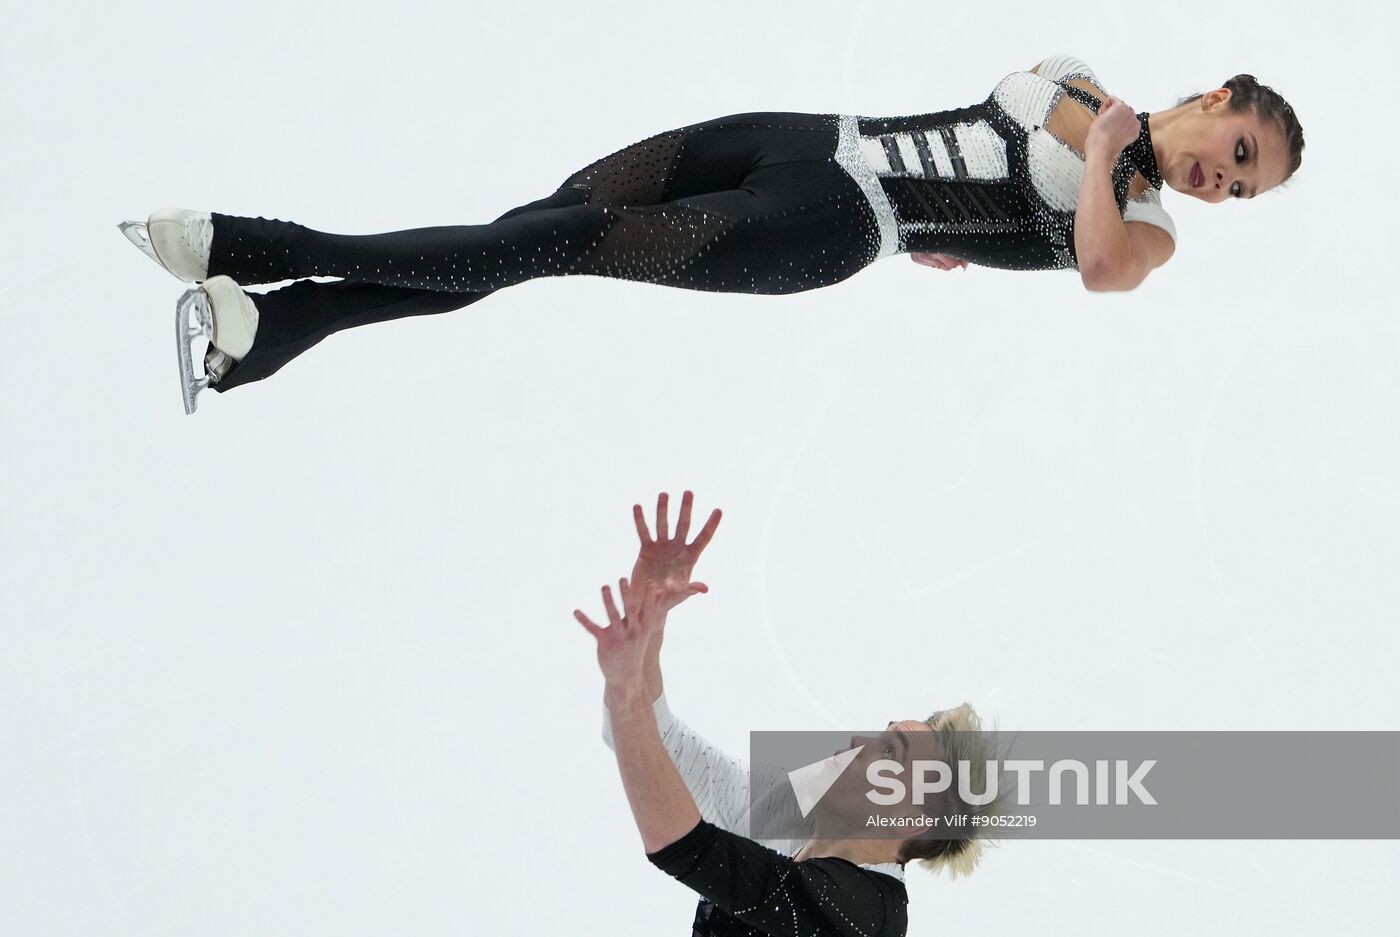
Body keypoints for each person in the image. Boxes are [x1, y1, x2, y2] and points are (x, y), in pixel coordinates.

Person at [120, 54, 1305, 411]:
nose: (1220, 183)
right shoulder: (1081, 76)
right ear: (1217, 97)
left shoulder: (1143, 224)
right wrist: (1079, 161)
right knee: (546, 218)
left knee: (553, 244)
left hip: (831, 222)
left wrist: (1104, 161)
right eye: (1238, 153)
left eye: (1239, 192)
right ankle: (278, 333)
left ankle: (257, 247)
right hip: (798, 134)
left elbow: (1097, 263)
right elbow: (1025, 120)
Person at [574, 491, 1002, 936]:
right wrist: (650, 622)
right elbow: (653, 746)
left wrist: (626, 688)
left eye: (891, 754)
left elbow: (680, 844)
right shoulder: (790, 815)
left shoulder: (864, 916)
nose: (860, 742)